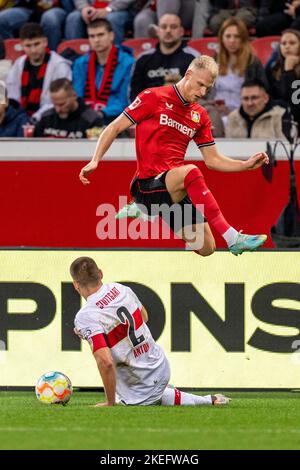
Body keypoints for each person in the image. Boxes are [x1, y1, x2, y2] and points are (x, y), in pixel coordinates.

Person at [79, 55, 269, 257]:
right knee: (192, 171)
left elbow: (213, 160)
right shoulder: (153, 97)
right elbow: (115, 127)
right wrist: (95, 160)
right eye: (200, 85)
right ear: (188, 74)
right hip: (147, 184)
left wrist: (244, 165)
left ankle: (151, 210)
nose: (203, 92)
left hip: (172, 189)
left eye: (208, 88)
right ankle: (233, 238)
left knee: (207, 247)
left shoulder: (200, 116)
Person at [71, 256, 231, 406]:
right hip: (159, 364)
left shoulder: (86, 316)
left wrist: (109, 403)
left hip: (140, 381)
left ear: (76, 285)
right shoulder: (120, 289)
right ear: (100, 273)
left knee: (129, 402)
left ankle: (196, 399)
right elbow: (144, 317)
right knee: (146, 391)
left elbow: (105, 362)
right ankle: (206, 399)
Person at [72, 18, 134, 125]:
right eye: (92, 36)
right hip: (85, 118)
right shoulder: (80, 64)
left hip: (116, 120)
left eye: (100, 35)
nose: (96, 40)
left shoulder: (129, 63)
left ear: (111, 36)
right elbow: (78, 96)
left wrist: (101, 113)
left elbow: (126, 101)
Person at [6, 22, 72, 122]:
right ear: (22, 46)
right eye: (28, 46)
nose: (33, 50)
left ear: (45, 42)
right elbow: (13, 97)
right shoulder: (19, 64)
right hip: (21, 119)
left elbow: (58, 101)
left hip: (51, 118)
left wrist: (34, 119)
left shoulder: (60, 65)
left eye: (36, 44)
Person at [130, 13, 198, 101]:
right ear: (157, 31)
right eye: (163, 27)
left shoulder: (194, 59)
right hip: (148, 111)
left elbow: (200, 92)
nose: (168, 30)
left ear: (181, 31)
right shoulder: (143, 59)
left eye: (173, 27)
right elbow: (134, 93)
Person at [212, 17, 267, 122]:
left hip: (245, 114)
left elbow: (263, 92)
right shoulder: (213, 61)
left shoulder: (253, 62)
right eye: (228, 36)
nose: (232, 41)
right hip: (217, 114)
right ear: (221, 38)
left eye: (236, 36)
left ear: (243, 39)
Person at [34, 78, 104, 138]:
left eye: (62, 104)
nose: (58, 110)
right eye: (55, 104)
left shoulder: (91, 121)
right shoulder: (46, 118)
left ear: (74, 96)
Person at [225, 79, 290, 139]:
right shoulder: (233, 117)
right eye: (245, 98)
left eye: (254, 98)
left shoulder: (280, 116)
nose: (250, 103)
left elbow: (287, 147)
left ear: (266, 98)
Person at [0, 0, 74, 51]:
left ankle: (50, 58)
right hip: (29, 8)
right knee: (1, 19)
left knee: (49, 18)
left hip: (56, 8)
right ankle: (14, 53)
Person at [65, 0, 145, 45]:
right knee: (73, 18)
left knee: (112, 18)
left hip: (122, 10)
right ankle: (73, 58)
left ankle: (116, 56)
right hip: (91, 7)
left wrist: (109, 9)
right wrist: (84, 7)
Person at [266, 29, 300, 132]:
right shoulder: (274, 68)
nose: (287, 46)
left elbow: (295, 100)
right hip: (280, 116)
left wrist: (289, 70)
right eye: (283, 43)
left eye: (292, 43)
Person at [134, 0, 210, 39]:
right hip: (157, 8)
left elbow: (203, 4)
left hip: (188, 12)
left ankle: (164, 29)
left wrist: (197, 38)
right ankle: (145, 61)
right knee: (142, 21)